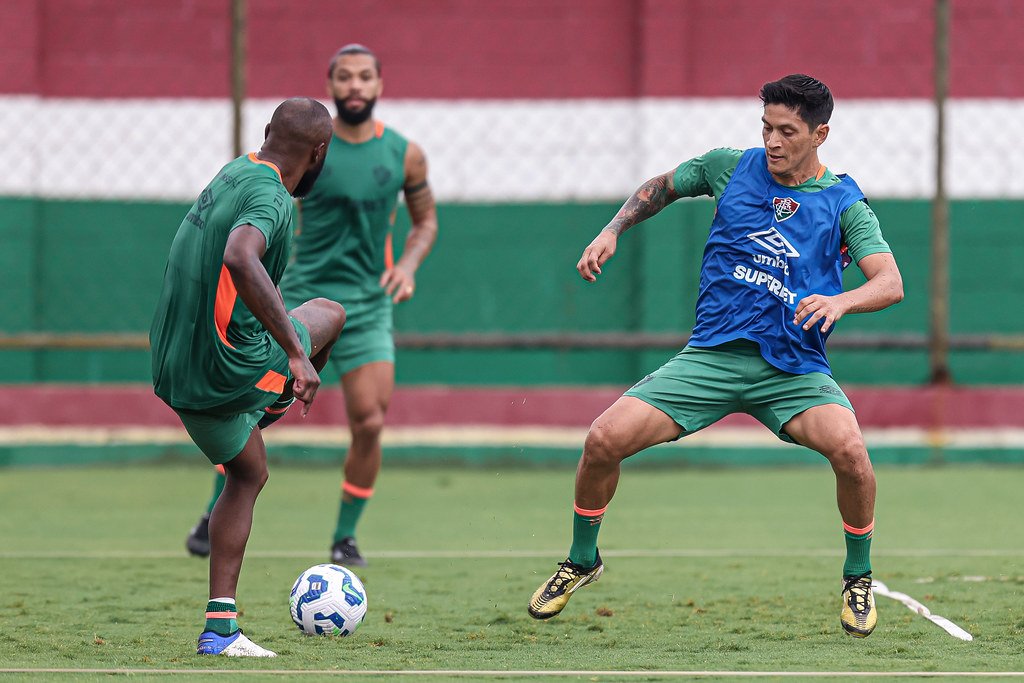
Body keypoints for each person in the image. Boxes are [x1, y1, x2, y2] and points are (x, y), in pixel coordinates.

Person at [527, 74, 904, 639]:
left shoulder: (845, 202)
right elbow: (663, 185)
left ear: (820, 133)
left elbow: (890, 281)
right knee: (603, 440)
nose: (773, 142)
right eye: (766, 128)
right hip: (711, 359)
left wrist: (841, 301)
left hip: (793, 372)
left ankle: (858, 576)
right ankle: (582, 560)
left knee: (852, 454)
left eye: (788, 131)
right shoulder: (729, 166)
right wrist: (613, 229)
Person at [185, 43, 438, 567]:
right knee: (248, 409)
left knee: (369, 421)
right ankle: (213, 516)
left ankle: (345, 538)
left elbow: (426, 221)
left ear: (379, 85)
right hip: (296, 295)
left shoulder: (405, 154)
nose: (355, 86)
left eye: (365, 76)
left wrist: (408, 265)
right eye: (344, 77)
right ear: (331, 85)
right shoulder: (308, 146)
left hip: (368, 305)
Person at [151, 97, 345, 657]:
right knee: (330, 315)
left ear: (265, 134)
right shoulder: (274, 198)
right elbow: (241, 254)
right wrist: (296, 354)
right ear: (319, 153)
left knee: (249, 472)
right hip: (224, 370)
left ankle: (220, 630)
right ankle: (273, 403)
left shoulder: (232, 171)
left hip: (171, 367)